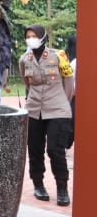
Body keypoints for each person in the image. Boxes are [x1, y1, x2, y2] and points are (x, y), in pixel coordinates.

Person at [20, 24, 75, 206]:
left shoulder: (59, 56)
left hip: (57, 109)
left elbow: (69, 80)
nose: (31, 38)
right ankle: (38, 185)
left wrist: (64, 103)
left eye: (34, 35)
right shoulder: (24, 59)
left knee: (55, 149)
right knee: (35, 150)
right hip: (34, 109)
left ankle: (62, 189)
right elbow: (27, 84)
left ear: (42, 37)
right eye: (28, 36)